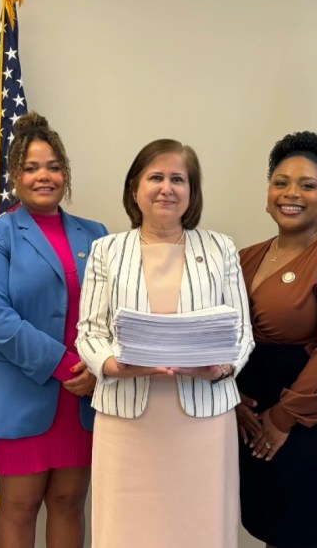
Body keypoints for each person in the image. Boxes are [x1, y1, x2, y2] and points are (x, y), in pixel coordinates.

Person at [75, 138, 254, 547]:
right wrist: (113, 366)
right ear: (135, 188)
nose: (166, 188)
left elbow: (242, 331)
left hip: (205, 417)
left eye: (178, 179)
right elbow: (90, 331)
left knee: (201, 527)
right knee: (128, 529)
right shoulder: (106, 250)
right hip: (127, 418)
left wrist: (222, 369)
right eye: (155, 177)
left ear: (192, 192)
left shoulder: (221, 248)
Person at [0, 112, 107, 548]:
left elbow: (112, 311)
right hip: (20, 393)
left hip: (82, 397)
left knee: (69, 502)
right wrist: (65, 367)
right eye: (31, 168)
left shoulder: (96, 234)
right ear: (15, 176)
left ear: (66, 174)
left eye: (53, 167)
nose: (43, 176)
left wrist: (98, 370)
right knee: (20, 506)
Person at [235, 131, 317, 548]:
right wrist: (234, 398)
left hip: (312, 420)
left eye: (307, 185)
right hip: (251, 415)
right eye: (281, 182)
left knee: (306, 532)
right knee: (271, 529)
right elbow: (222, 337)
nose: (291, 193)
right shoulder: (243, 257)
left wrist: (283, 418)